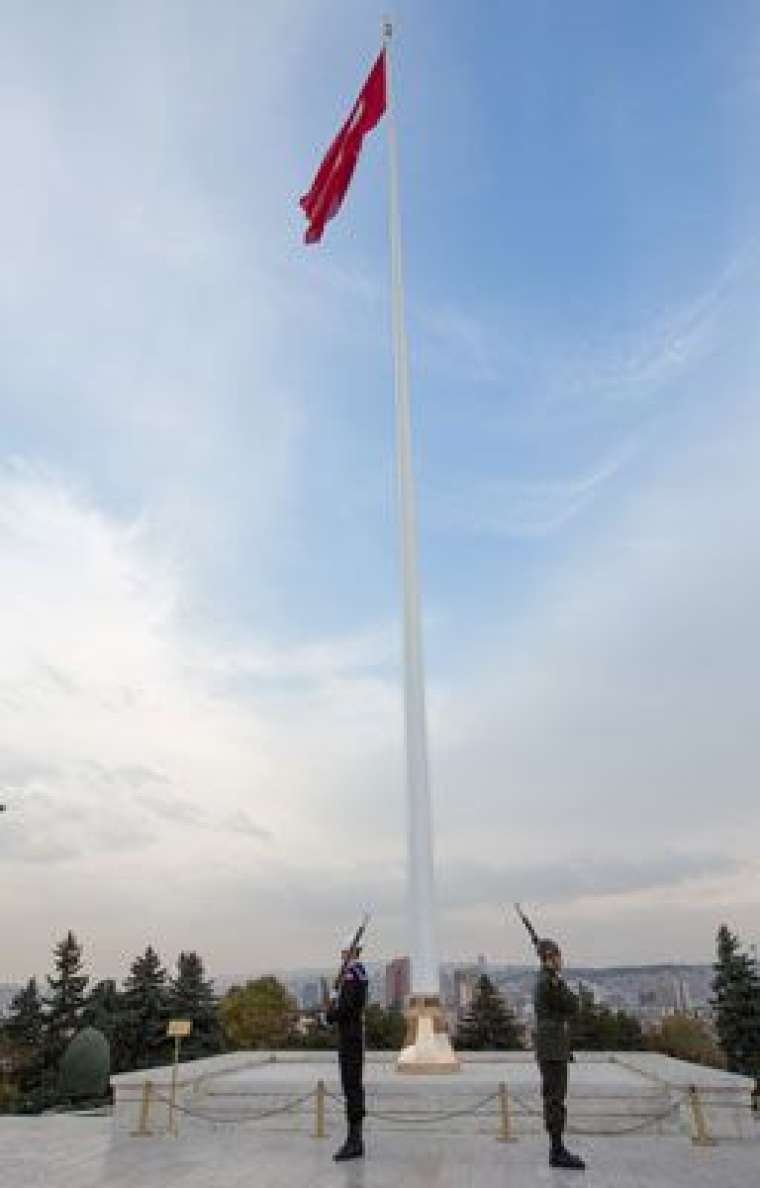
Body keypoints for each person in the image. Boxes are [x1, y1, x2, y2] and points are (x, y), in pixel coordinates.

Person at [534, 937, 586, 1170]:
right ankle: (557, 1150)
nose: (561, 960)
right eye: (557, 956)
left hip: (552, 1046)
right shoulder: (550, 982)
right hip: (552, 1048)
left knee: (554, 1097)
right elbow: (572, 1005)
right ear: (550, 958)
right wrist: (559, 981)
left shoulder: (546, 980)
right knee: (555, 1099)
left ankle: (557, 1148)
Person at [326, 945, 368, 1161]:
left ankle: (354, 1142)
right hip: (352, 1036)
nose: (341, 955)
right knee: (352, 1086)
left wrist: (330, 1014)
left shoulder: (352, 974)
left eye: (343, 952)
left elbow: (347, 1008)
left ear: (350, 953)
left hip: (350, 1037)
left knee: (351, 1086)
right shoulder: (356, 973)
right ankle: (355, 1138)